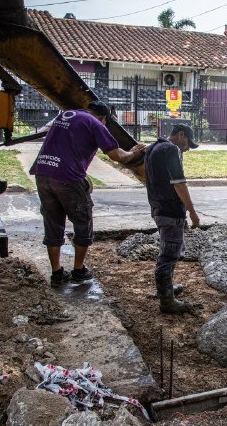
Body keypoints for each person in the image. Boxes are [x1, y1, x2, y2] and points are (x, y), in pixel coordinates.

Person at [30, 100, 146, 287]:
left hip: (42, 173)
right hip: (67, 178)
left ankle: (57, 274)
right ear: (103, 118)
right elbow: (119, 156)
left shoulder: (65, 115)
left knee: (53, 223)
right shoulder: (95, 123)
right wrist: (134, 151)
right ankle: (78, 270)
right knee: (83, 221)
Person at [144, 124, 201, 314]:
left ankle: (166, 288)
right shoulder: (171, 148)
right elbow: (179, 183)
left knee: (170, 250)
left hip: (159, 208)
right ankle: (167, 302)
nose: (187, 148)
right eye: (188, 144)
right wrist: (192, 212)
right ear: (180, 135)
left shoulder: (153, 147)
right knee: (169, 255)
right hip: (170, 211)